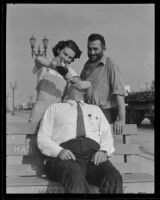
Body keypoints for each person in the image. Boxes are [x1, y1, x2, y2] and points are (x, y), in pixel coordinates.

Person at [37, 79, 123, 193]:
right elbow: (43, 138)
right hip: (66, 156)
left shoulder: (95, 109)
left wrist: (104, 151)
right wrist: (59, 151)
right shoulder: (55, 108)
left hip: (93, 156)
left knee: (113, 177)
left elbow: (106, 135)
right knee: (75, 178)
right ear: (69, 88)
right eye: (77, 84)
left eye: (83, 86)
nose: (82, 88)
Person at [29, 40, 90, 122]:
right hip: (38, 112)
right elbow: (38, 59)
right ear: (58, 50)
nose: (66, 58)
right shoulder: (45, 65)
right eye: (65, 54)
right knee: (33, 134)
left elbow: (77, 88)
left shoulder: (70, 72)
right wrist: (55, 67)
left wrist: (86, 83)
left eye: (70, 57)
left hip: (56, 113)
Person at [80, 33, 126, 135]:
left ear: (104, 49)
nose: (92, 52)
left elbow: (119, 92)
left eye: (96, 49)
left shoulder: (110, 64)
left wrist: (121, 119)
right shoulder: (86, 67)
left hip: (104, 114)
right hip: (87, 113)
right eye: (89, 49)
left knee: (101, 147)